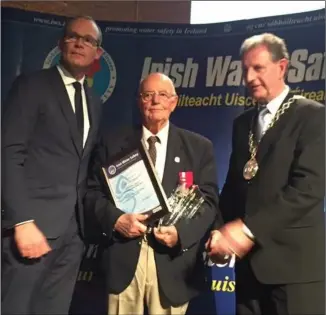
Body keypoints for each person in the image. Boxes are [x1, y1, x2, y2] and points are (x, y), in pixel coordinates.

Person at [206, 32, 325, 315]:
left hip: (294, 271)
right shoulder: (242, 124)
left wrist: (247, 230)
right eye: (245, 69)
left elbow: (308, 188)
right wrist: (218, 230)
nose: (249, 77)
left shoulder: (313, 116)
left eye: (258, 68)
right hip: (248, 270)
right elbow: (234, 187)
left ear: (282, 67)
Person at [84, 72, 222, 315]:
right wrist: (116, 219)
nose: (155, 101)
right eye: (148, 95)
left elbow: (209, 202)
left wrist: (180, 233)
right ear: (139, 101)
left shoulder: (198, 147)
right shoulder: (112, 142)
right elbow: (92, 192)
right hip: (123, 257)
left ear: (174, 102)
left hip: (173, 262)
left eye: (163, 95)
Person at [1, 16, 103, 314]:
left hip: (74, 234)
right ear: (61, 43)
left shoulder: (94, 102)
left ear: (98, 53)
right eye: (73, 36)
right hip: (32, 229)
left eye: (88, 40)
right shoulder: (31, 86)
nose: (79, 42)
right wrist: (20, 221)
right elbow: (8, 152)